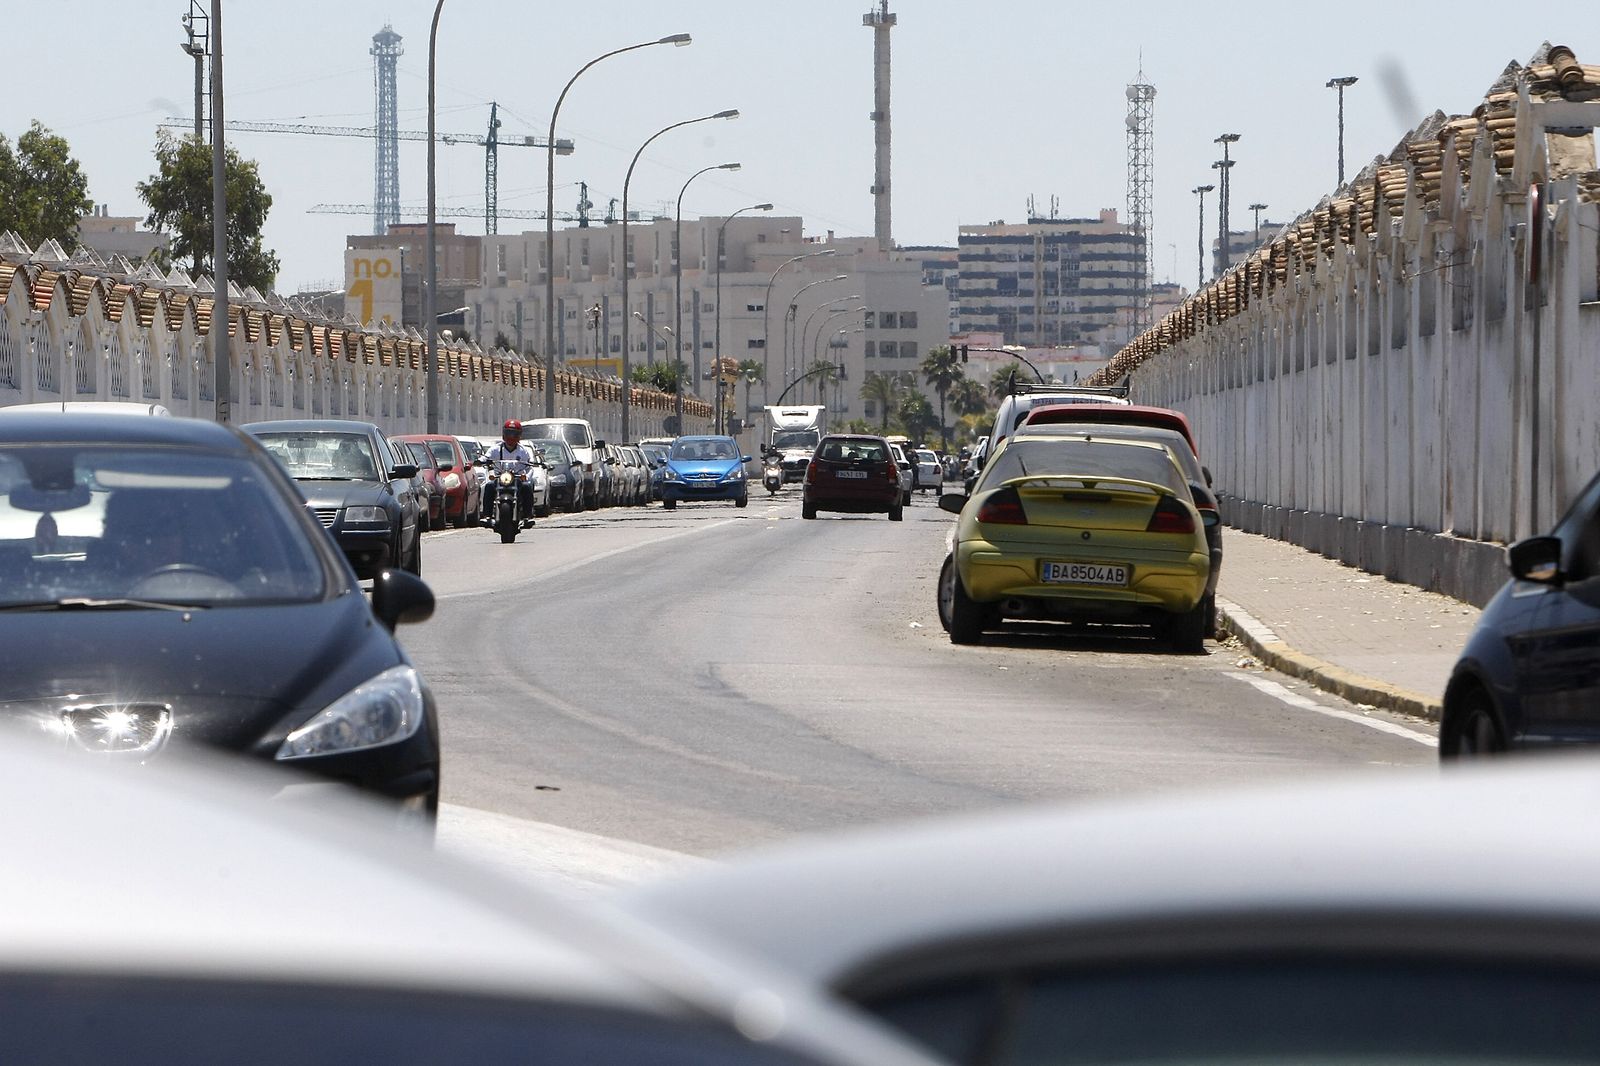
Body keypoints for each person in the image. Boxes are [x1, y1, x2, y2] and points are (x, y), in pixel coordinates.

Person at [481, 419, 537, 527]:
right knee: (488, 486)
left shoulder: (523, 451)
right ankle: (487, 516)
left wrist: (525, 476)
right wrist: (480, 461)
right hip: (500, 478)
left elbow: (529, 466)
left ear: (519, 436)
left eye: (514, 434)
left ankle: (527, 516)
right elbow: (485, 458)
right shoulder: (495, 449)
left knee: (527, 487)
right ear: (503, 434)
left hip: (517, 479)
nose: (511, 437)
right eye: (508, 433)